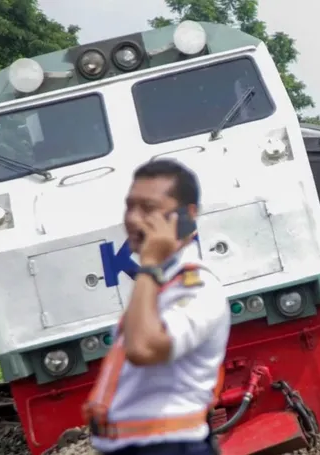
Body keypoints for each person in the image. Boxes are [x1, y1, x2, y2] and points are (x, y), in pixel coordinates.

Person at [83, 160, 230, 455]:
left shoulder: (199, 287)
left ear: (187, 216)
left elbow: (145, 350)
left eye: (148, 208)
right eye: (129, 207)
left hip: (171, 447)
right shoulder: (164, 283)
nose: (134, 219)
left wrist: (149, 264)